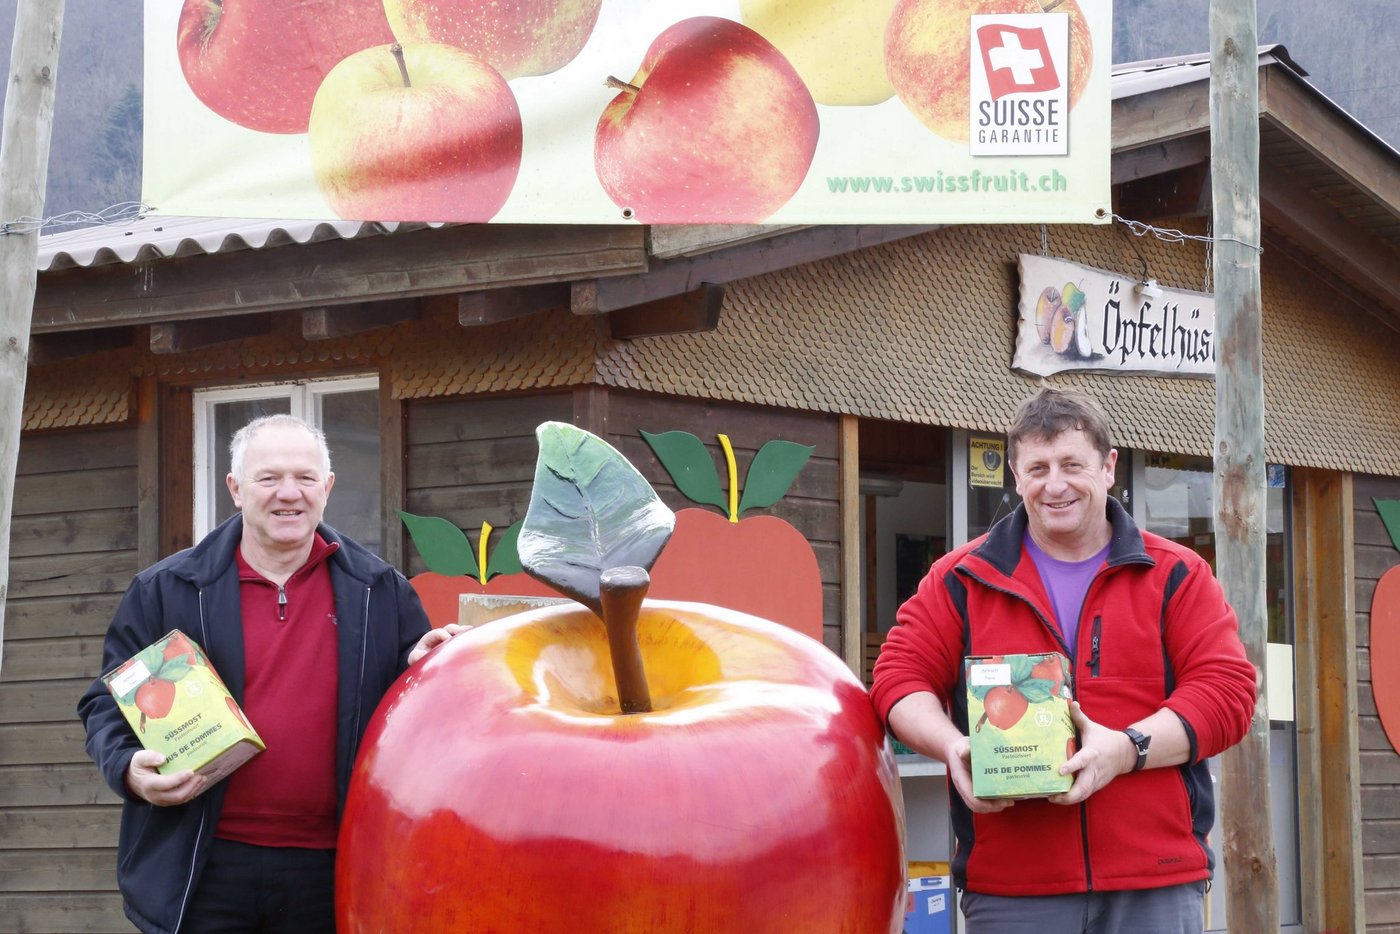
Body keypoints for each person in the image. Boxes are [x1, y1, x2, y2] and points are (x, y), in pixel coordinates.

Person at [871, 388, 1257, 934]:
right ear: (1015, 473)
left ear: (1108, 467)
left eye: (1072, 464)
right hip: (1013, 890)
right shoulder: (961, 579)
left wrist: (1126, 750)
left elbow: (1227, 692)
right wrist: (955, 747)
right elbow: (897, 678)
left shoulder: (1175, 574)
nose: (1055, 485)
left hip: (1155, 882)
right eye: (1038, 467)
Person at [78, 414, 463, 934]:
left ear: (326, 488)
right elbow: (107, 702)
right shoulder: (167, 588)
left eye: (305, 478)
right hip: (201, 864)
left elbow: (408, 714)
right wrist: (128, 769)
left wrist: (426, 669)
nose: (290, 493)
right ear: (235, 489)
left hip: (333, 866)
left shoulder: (381, 592)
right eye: (269, 478)